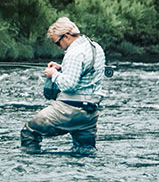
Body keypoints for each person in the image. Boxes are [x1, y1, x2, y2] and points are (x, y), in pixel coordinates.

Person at [20, 16, 105, 156]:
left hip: (70, 110)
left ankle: (30, 166)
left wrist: (53, 73)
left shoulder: (74, 52)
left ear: (66, 36)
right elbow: (87, 72)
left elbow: (68, 85)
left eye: (57, 43)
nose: (58, 47)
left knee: (30, 131)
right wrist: (62, 68)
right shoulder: (95, 47)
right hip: (90, 114)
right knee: (84, 153)